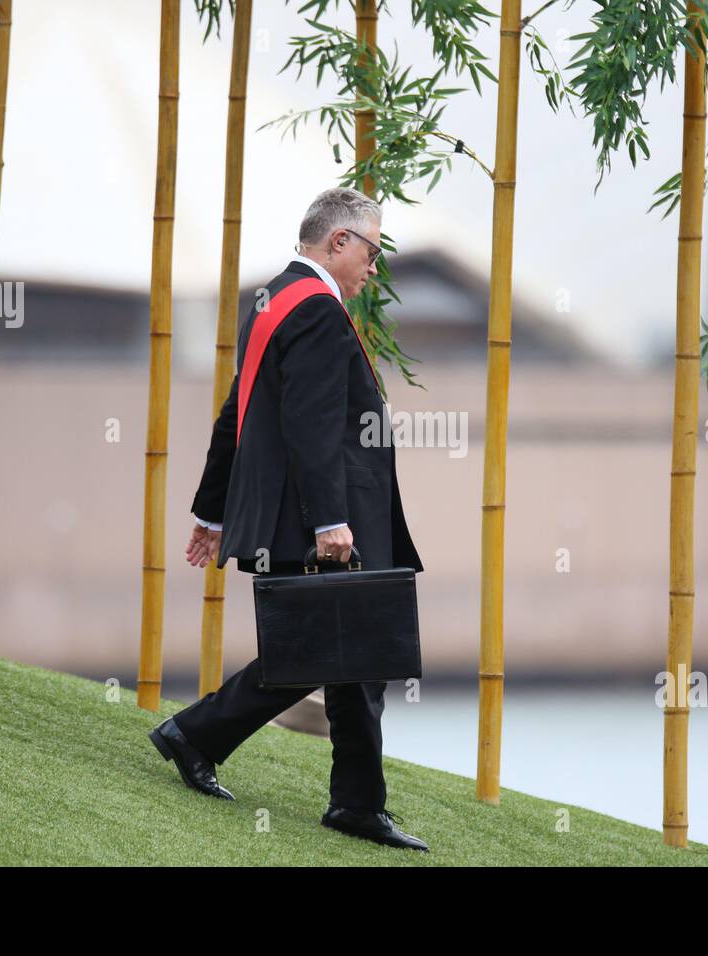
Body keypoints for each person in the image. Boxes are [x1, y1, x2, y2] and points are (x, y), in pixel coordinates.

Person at [147, 186, 428, 852]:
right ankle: (196, 734)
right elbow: (311, 423)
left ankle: (357, 803)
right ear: (339, 242)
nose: (375, 267)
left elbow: (235, 411)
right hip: (323, 520)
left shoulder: (273, 300)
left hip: (303, 514)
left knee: (354, 653)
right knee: (324, 651)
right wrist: (331, 521)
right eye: (373, 250)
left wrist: (211, 511)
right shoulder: (316, 311)